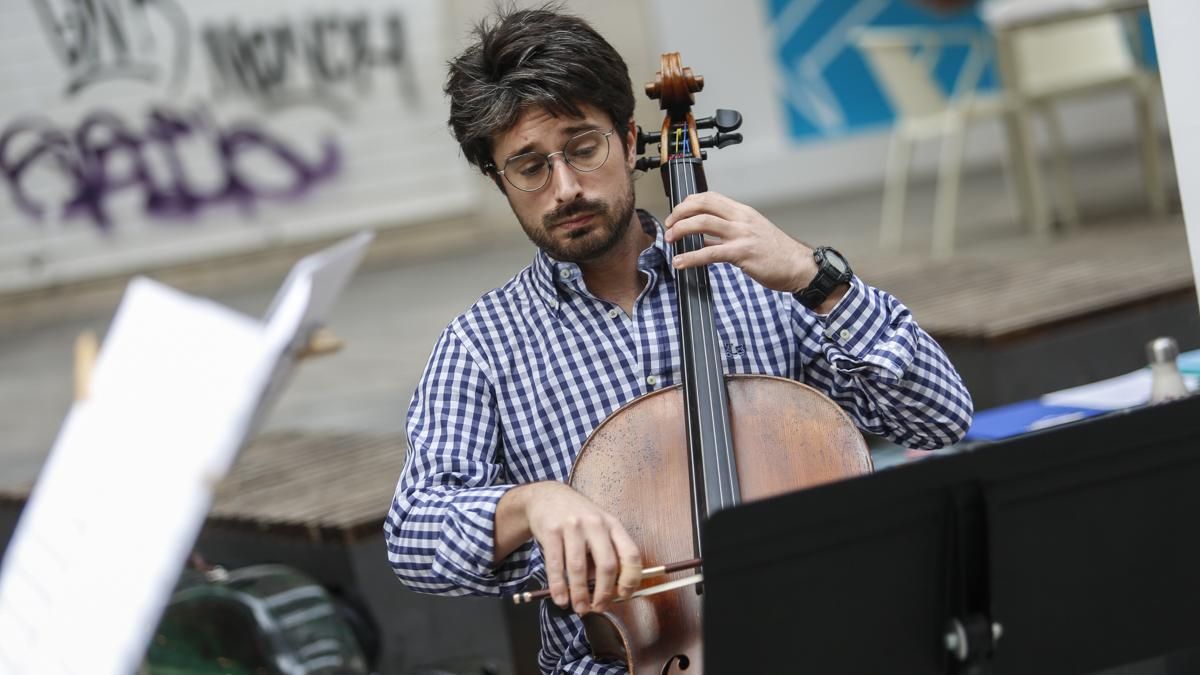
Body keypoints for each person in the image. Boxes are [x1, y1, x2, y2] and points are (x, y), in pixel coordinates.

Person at [385, 6, 973, 673]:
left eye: (584, 147)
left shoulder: (755, 282)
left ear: (631, 140)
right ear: (499, 180)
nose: (567, 188)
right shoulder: (480, 346)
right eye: (529, 167)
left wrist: (820, 279)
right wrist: (530, 503)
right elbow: (412, 536)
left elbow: (939, 416)